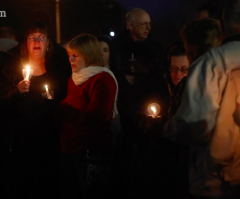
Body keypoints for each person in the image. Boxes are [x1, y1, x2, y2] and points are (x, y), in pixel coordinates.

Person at [165, 0, 240, 197]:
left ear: (222, 25)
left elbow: (195, 125)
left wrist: (168, 127)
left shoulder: (212, 62)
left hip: (217, 179)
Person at [0, 10, 71, 198]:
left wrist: (53, 99)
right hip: (21, 140)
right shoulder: (11, 68)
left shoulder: (59, 68)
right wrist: (17, 92)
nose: (37, 42)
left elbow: (68, 101)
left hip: (50, 139)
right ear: (26, 42)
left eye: (41, 37)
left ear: (48, 43)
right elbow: (3, 102)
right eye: (32, 37)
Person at [58, 34, 118, 199]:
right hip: (70, 149)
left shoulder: (102, 79)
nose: (70, 59)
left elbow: (98, 117)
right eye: (69, 54)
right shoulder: (74, 79)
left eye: (75, 55)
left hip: (91, 152)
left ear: (88, 55)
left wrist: (63, 108)